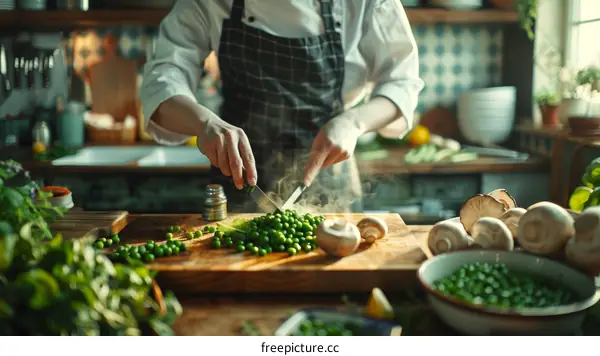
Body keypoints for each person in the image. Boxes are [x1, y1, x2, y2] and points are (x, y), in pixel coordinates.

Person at [141, 0, 424, 213]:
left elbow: (402, 81)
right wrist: (203, 123)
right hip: (237, 175)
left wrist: (353, 123)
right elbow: (163, 78)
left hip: (329, 174)